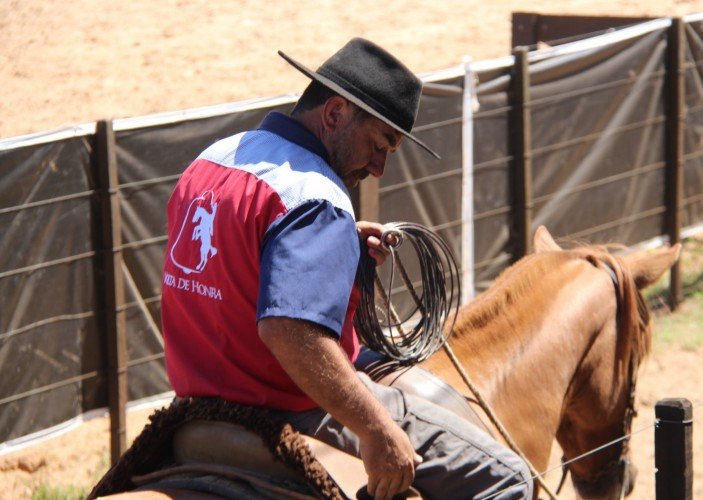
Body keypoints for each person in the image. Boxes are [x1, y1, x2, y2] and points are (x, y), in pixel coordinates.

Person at [161, 37, 532, 500]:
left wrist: (333, 250)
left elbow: (221, 264)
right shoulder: (315, 195)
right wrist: (376, 431)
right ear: (334, 114)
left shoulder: (212, 160)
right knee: (508, 477)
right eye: (379, 144)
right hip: (281, 406)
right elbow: (288, 330)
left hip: (194, 401)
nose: (378, 168)